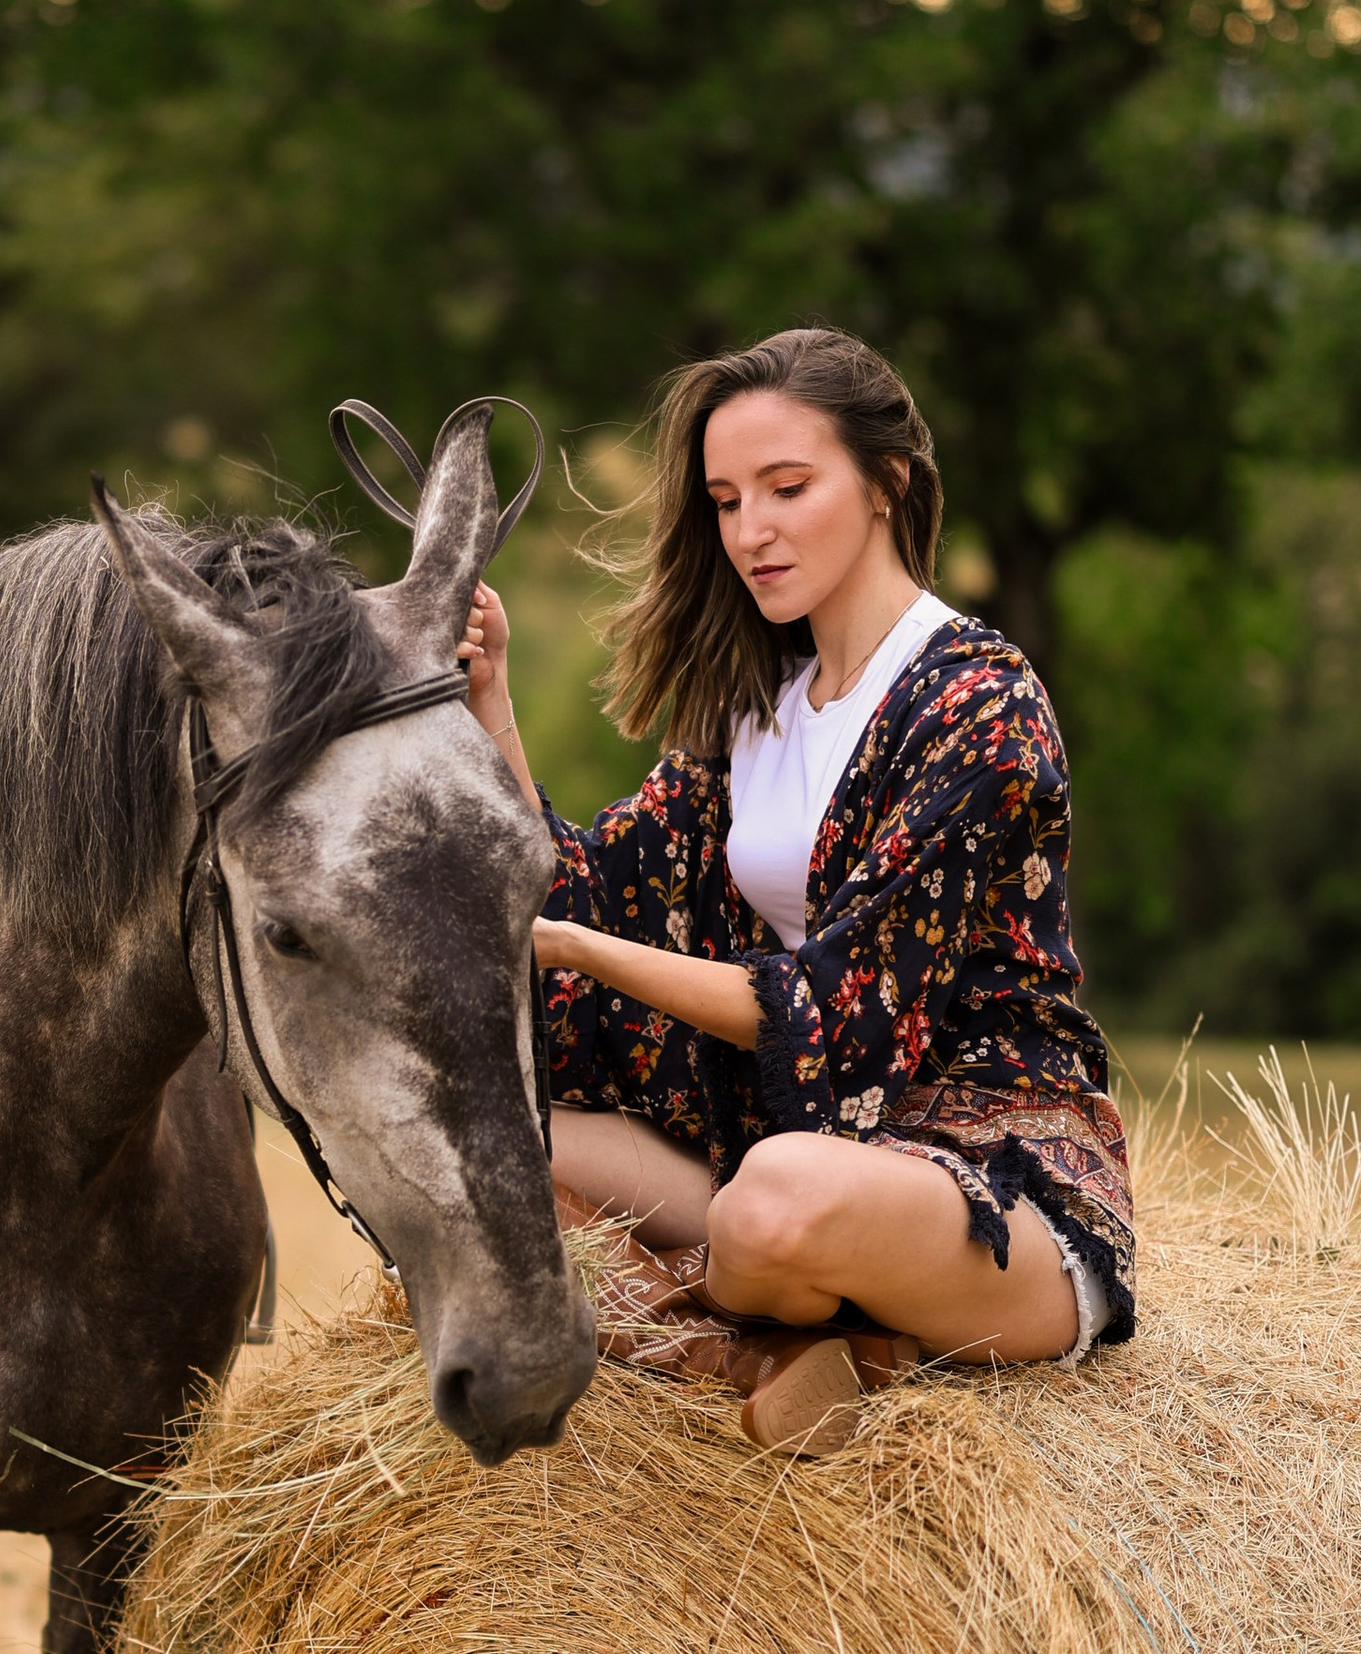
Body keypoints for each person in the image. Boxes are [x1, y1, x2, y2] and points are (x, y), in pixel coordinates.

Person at [460, 326, 1133, 1454]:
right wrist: (492, 704)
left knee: (773, 1202)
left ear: (887, 485)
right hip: (785, 1136)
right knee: (478, 1138)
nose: (749, 532)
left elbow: (844, 1001)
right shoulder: (753, 708)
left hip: (977, 1177)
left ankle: (724, 1322)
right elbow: (590, 891)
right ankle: (762, 1355)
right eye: (725, 501)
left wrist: (576, 956)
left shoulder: (979, 705)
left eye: (786, 487)